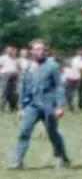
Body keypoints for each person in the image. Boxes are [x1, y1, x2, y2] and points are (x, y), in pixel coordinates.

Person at [8, 38, 70, 169]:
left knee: (52, 133)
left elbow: (58, 87)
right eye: (37, 49)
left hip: (49, 106)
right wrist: (21, 108)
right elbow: (24, 89)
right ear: (31, 51)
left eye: (42, 49)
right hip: (32, 106)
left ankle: (62, 157)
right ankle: (17, 161)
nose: (40, 52)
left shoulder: (52, 66)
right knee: (24, 131)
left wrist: (59, 106)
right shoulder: (28, 67)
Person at [0, 46, 20, 112]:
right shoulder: (3, 58)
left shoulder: (15, 59)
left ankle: (13, 107)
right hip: (6, 75)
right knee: (5, 91)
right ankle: (3, 106)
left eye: (12, 51)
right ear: (7, 51)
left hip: (14, 75)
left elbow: (18, 67)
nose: (11, 52)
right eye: (9, 50)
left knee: (14, 91)